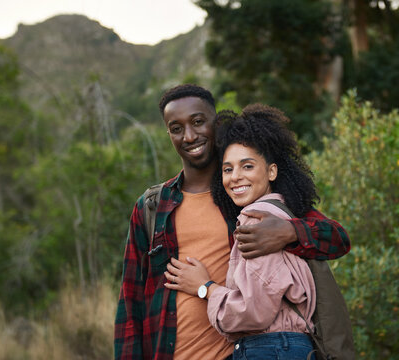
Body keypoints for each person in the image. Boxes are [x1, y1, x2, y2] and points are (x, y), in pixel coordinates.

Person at [114, 84, 350, 360]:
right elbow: (131, 305)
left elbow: (336, 239)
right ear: (169, 133)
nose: (189, 136)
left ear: (216, 124)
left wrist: (289, 231)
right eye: (176, 128)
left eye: (198, 122)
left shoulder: (246, 197)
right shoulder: (152, 207)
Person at [164, 104, 319, 359]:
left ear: (271, 171)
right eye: (228, 169)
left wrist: (205, 287)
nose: (235, 177)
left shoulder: (258, 221)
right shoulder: (284, 214)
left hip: (270, 349)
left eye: (247, 166)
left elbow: (252, 312)